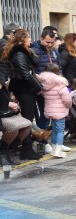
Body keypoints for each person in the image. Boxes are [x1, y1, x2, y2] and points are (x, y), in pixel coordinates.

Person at [1, 29, 43, 160]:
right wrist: (38, 87)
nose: (30, 40)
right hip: (24, 89)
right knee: (27, 119)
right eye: (28, 37)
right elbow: (25, 74)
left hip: (25, 88)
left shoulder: (23, 52)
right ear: (22, 39)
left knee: (28, 120)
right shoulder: (19, 53)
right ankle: (25, 149)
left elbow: (30, 70)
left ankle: (24, 148)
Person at [38, 63, 71, 158]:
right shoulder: (61, 85)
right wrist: (68, 107)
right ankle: (58, 151)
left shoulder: (44, 85)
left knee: (54, 130)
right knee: (60, 131)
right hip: (59, 112)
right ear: (57, 72)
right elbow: (67, 100)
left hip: (49, 110)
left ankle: (53, 149)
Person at [31, 26, 60, 132]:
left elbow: (59, 66)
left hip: (54, 89)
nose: (50, 45)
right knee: (43, 113)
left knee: (54, 113)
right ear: (41, 39)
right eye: (47, 42)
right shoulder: (34, 51)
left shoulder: (54, 51)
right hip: (40, 89)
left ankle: (54, 139)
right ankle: (42, 140)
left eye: (52, 42)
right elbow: (31, 71)